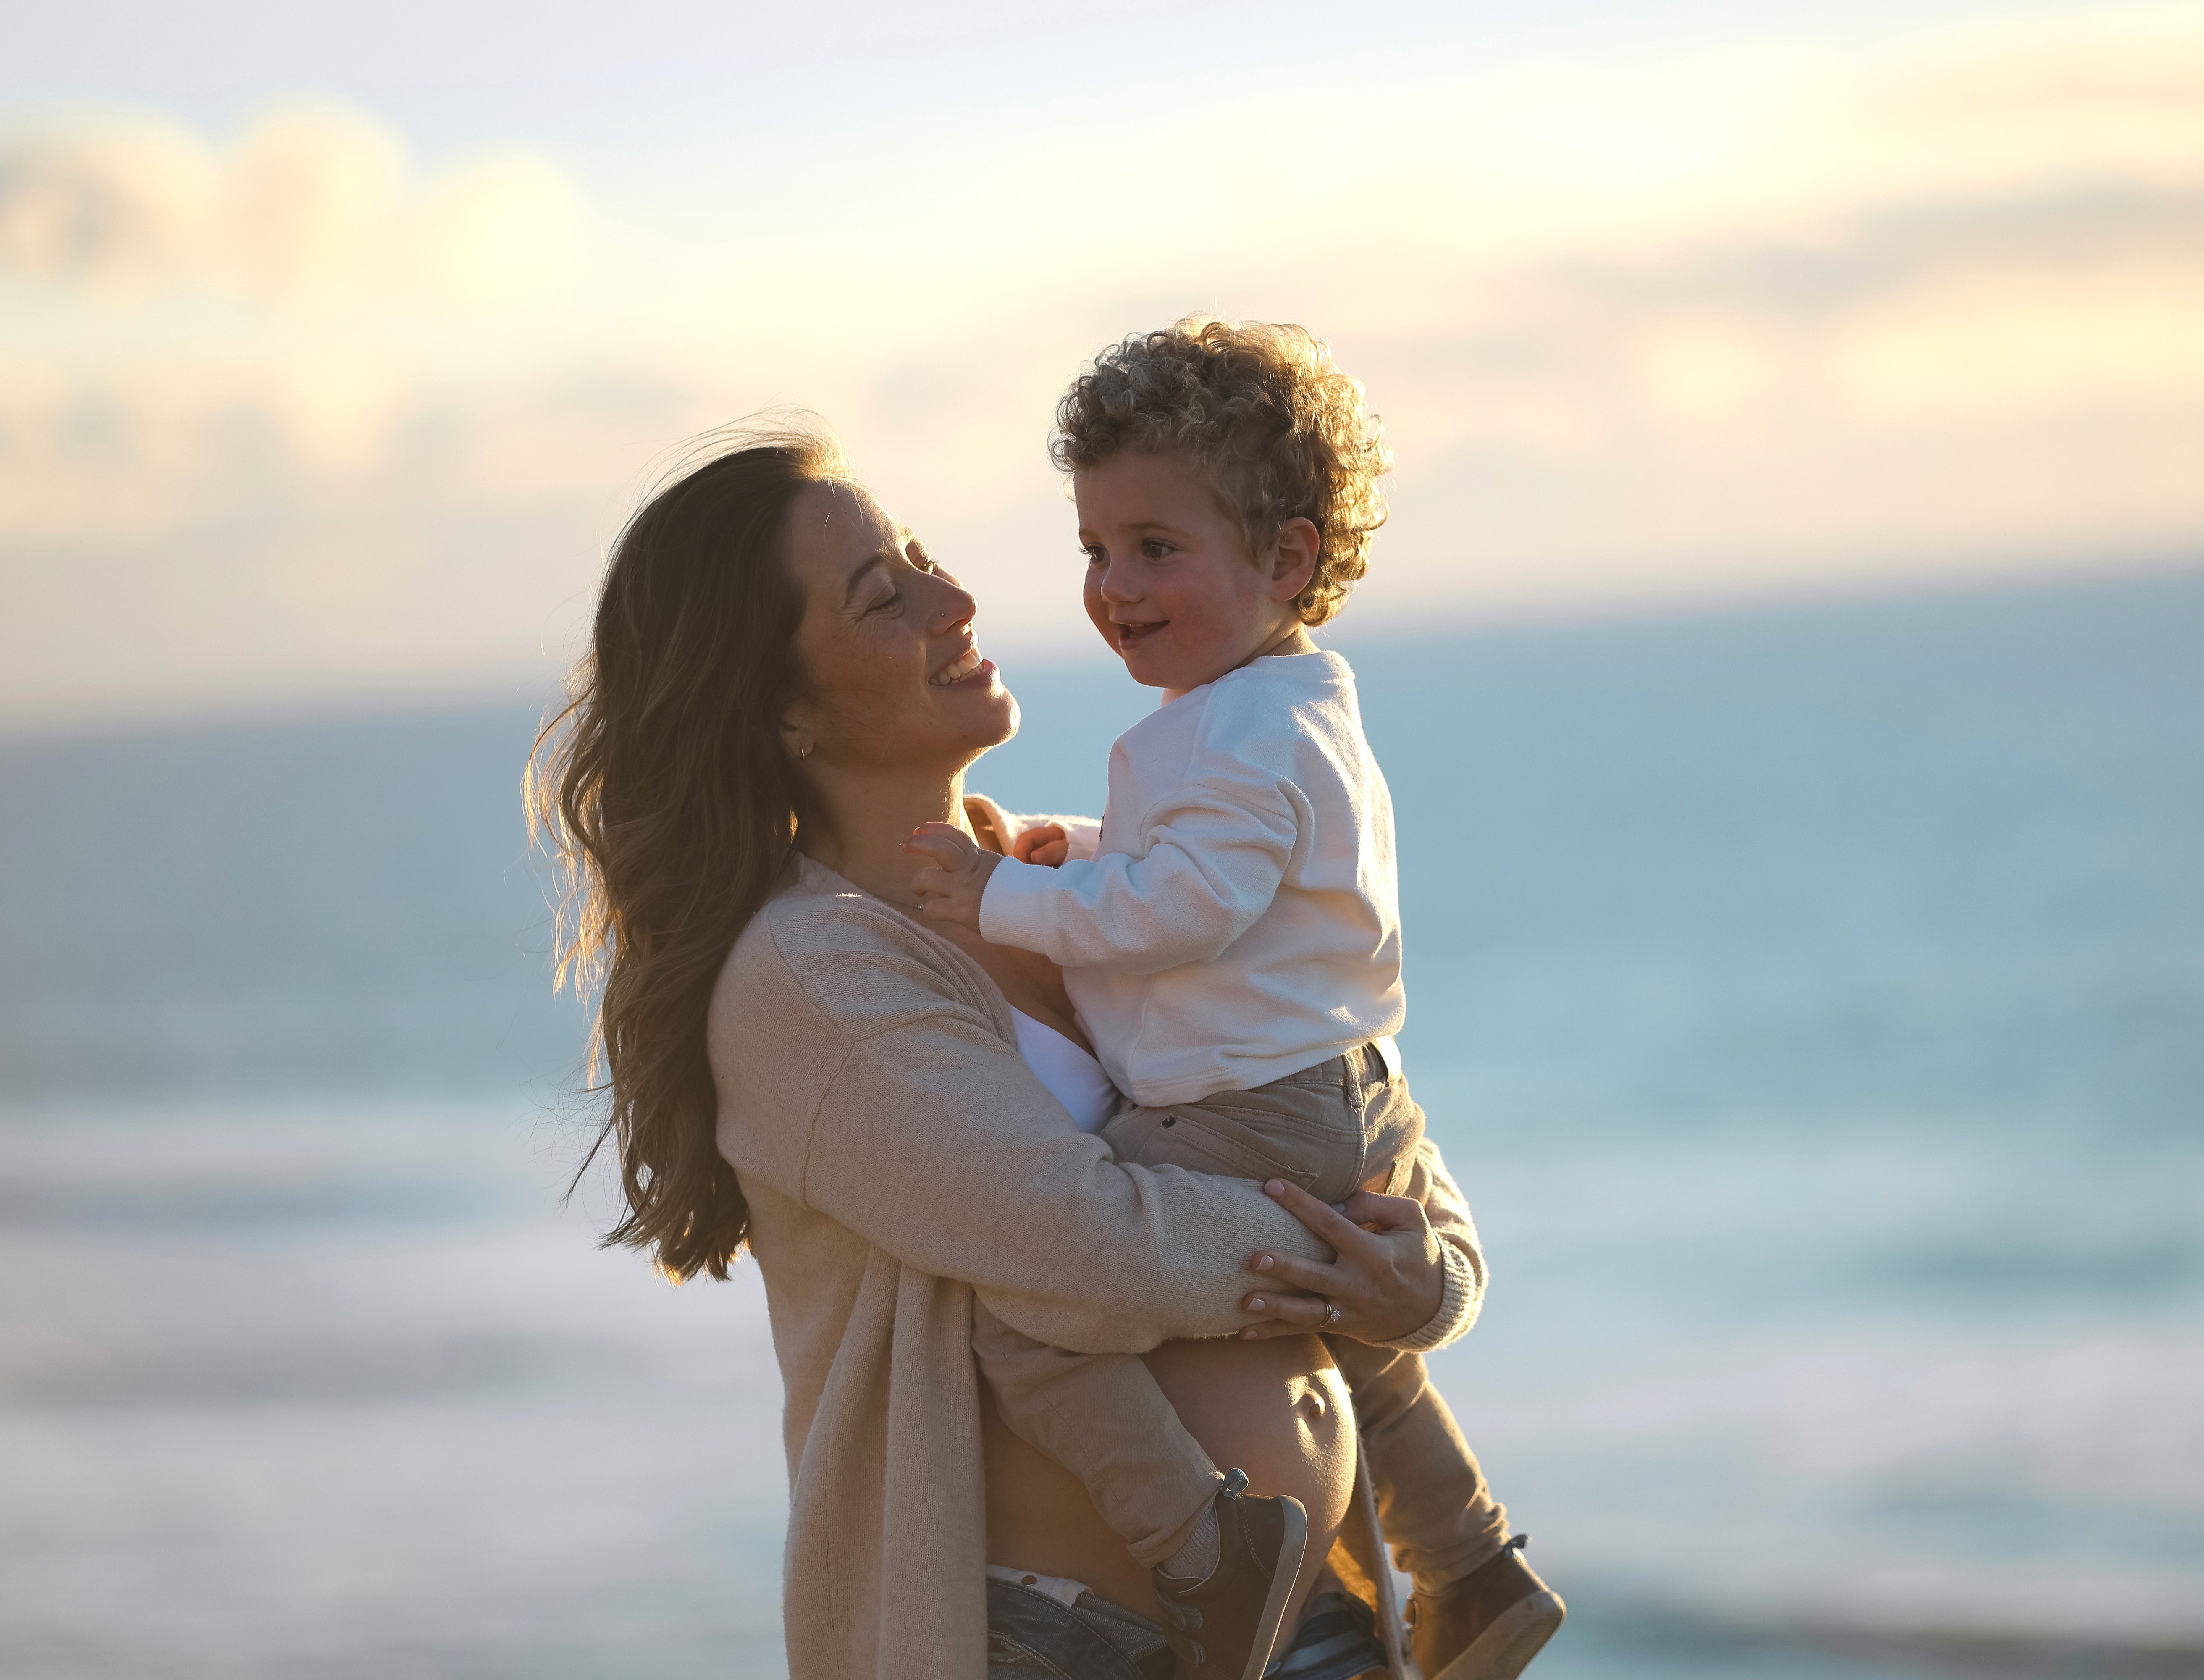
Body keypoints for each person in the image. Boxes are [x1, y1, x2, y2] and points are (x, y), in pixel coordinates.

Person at [527, 417, 1494, 1680]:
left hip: (1312, 1624)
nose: (955, 596)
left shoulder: (1078, 882)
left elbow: (1350, 1092)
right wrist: (1347, 1261)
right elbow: (1086, 1251)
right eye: (887, 595)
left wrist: (1435, 1280)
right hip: (1063, 1642)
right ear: (782, 714)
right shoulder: (809, 978)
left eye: (923, 554)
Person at [906, 319, 1563, 1680]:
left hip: (1251, 1107)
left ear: (1287, 559)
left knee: (1023, 1309)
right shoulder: (1279, 710)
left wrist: (997, 902)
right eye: (1095, 549)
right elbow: (1205, 881)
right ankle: (1470, 1559)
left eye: (1156, 547)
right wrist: (1074, 854)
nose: (1115, 585)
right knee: (1344, 1324)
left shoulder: (1241, 731)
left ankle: (1208, 1545)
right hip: (1334, 1088)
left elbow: (1183, 908)